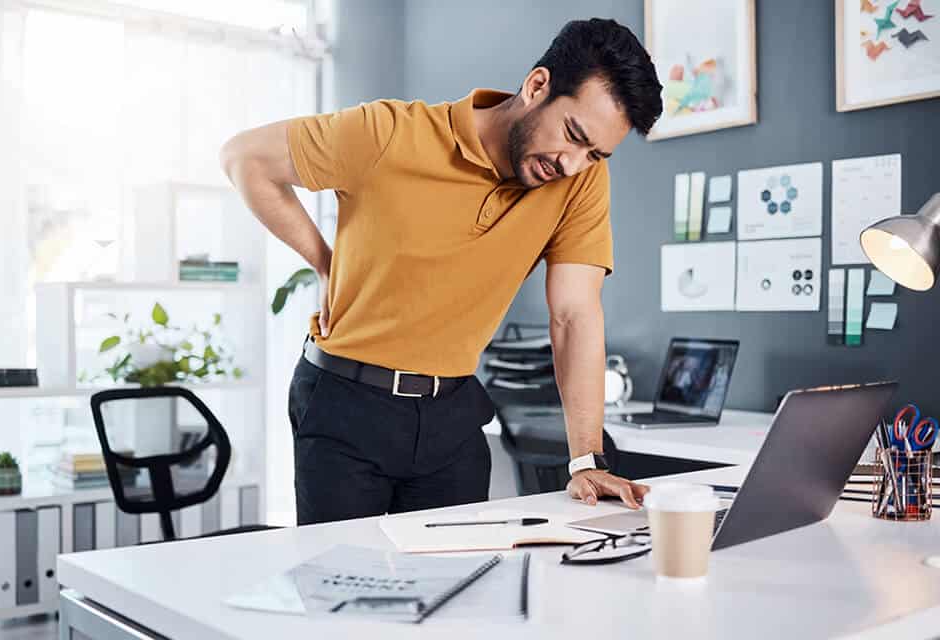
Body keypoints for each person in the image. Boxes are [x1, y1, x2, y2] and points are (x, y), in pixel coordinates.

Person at [220, 18, 663, 525]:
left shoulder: (580, 180)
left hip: (451, 412)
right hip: (345, 400)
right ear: (537, 86)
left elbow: (575, 314)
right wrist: (324, 262)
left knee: (456, 585)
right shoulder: (389, 133)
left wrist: (586, 459)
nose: (571, 164)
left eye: (595, 154)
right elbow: (244, 159)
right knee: (342, 584)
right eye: (573, 136)